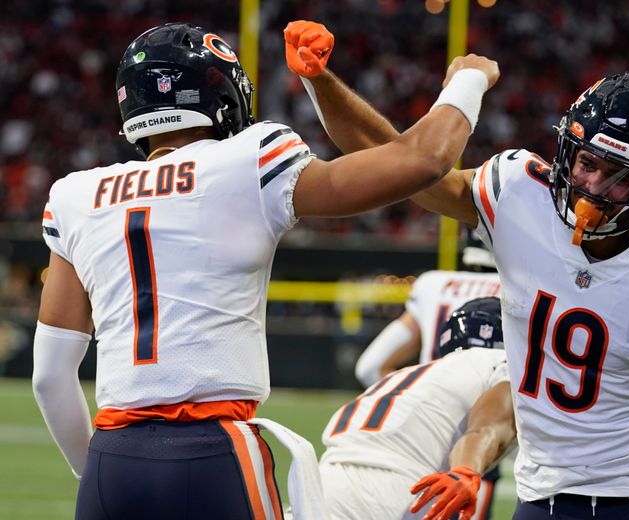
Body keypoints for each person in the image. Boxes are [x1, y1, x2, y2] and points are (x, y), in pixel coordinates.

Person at [285, 20, 629, 519]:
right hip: (542, 494)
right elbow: (397, 161)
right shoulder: (519, 195)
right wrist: (320, 82)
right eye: (586, 161)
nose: (591, 185)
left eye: (618, 177)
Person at [31, 22, 499, 520]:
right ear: (220, 90)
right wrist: (468, 80)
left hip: (112, 461)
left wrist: (101, 470)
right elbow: (422, 162)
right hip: (214, 450)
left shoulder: (75, 195)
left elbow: (50, 377)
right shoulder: (249, 158)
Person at [319, 297, 516, 520]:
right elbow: (486, 427)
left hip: (322, 483)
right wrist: (465, 470)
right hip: (398, 490)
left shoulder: (404, 375)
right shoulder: (502, 363)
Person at [354, 230, 500, 387]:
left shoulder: (432, 283)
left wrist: (412, 398)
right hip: (489, 405)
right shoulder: (518, 289)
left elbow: (369, 368)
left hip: (432, 402)